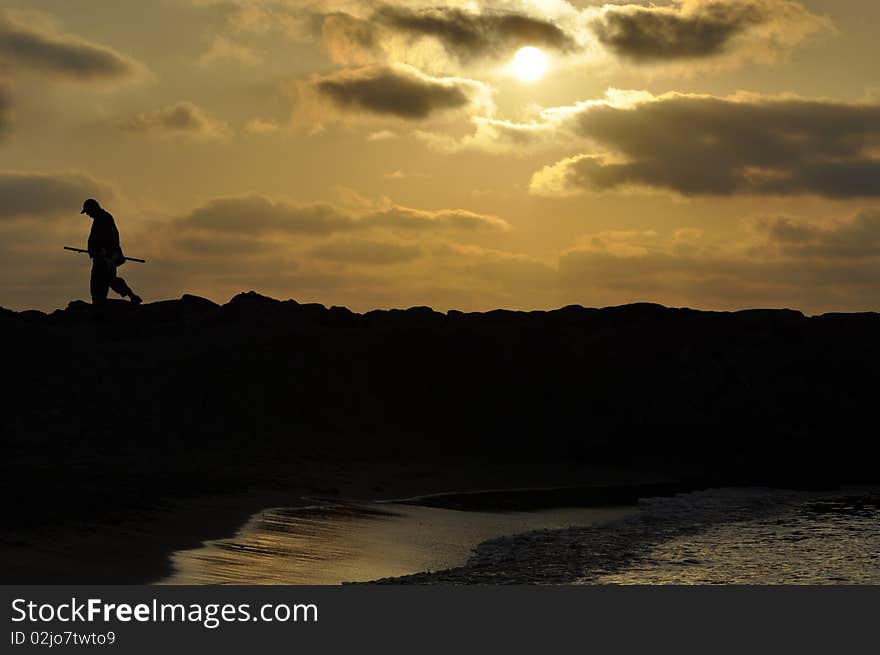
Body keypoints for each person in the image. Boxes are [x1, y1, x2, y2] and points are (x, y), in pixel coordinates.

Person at [81, 198, 142, 305]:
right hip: (102, 258)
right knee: (108, 282)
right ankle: (132, 296)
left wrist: (108, 255)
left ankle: (131, 297)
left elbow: (113, 239)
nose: (88, 214)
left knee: (103, 285)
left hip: (106, 259)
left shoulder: (105, 219)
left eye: (88, 212)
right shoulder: (100, 219)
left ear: (93, 208)